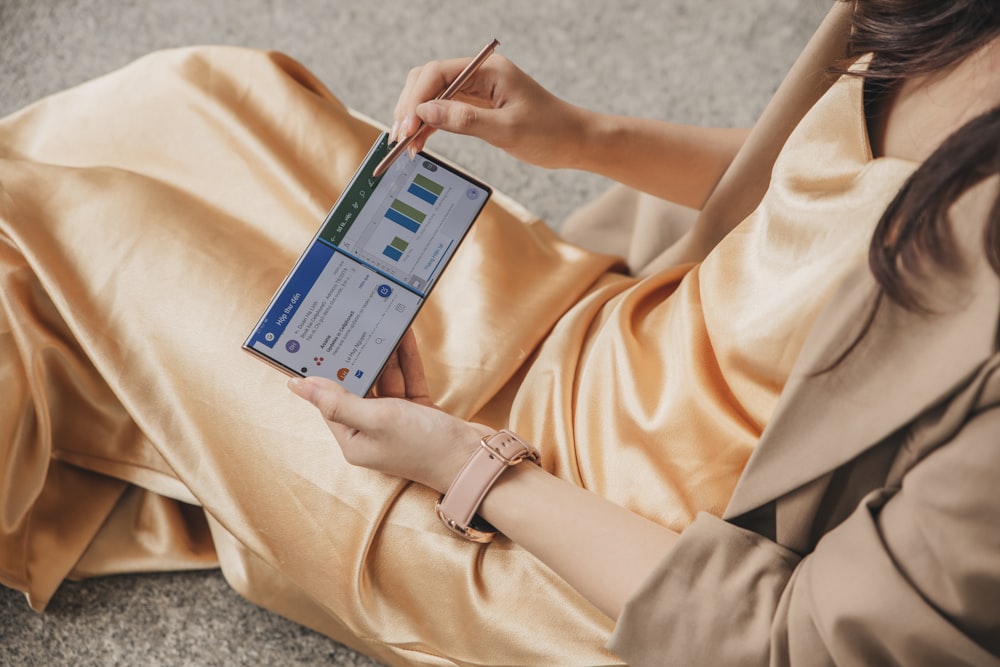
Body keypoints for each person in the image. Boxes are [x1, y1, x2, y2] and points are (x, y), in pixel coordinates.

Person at [1, 1, 997, 666]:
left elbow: (795, 641)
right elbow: (827, 194)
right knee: (192, 102)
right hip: (612, 333)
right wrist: (576, 137)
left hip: (612, 551)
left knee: (58, 227)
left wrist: (468, 468)